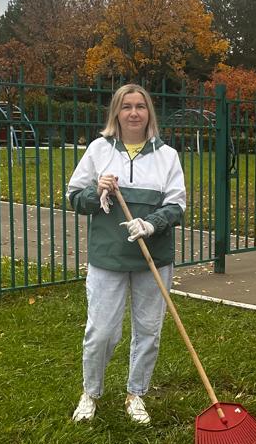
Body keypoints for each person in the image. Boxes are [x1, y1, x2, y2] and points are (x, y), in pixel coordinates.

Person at [66, 84, 186, 424]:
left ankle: (136, 394)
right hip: (108, 256)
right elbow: (75, 197)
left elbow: (177, 205)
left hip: (153, 258)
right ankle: (91, 392)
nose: (134, 113)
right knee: (102, 331)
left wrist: (151, 224)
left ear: (149, 113)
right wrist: (97, 192)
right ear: (116, 113)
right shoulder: (98, 150)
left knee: (148, 330)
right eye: (126, 106)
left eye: (140, 106)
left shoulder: (167, 156)